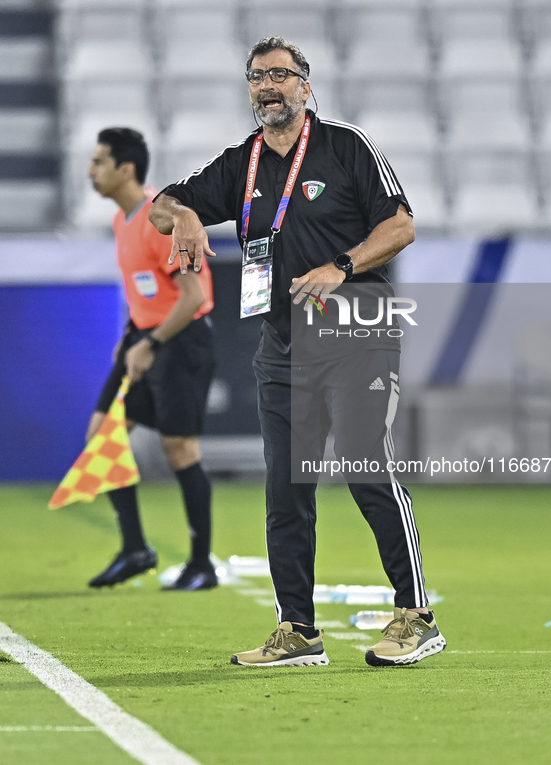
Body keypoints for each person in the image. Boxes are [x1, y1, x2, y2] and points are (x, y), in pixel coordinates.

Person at [149, 38, 446, 665]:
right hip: (282, 346)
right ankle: (298, 631)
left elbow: (401, 226)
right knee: (287, 489)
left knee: (367, 468)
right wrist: (183, 217)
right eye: (258, 77)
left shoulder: (346, 146)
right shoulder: (243, 164)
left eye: (281, 75)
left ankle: (416, 616)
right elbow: (162, 207)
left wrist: (341, 266)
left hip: (356, 331)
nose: (268, 86)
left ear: (306, 86)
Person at [86, 127, 217, 592]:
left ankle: (202, 564)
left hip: (180, 340)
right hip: (145, 336)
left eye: (99, 161)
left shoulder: (157, 221)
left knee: (179, 449)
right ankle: (136, 549)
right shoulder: (123, 221)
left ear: (126, 169)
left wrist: (152, 343)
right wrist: (130, 336)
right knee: (103, 437)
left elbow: (193, 296)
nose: (90, 170)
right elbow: (146, 291)